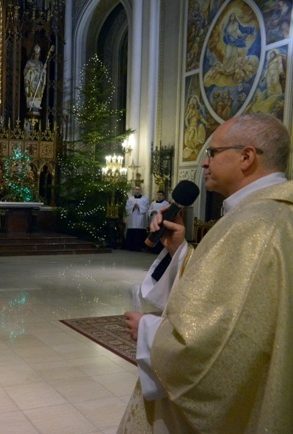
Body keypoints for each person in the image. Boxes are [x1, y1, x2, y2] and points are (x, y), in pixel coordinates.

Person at [119, 114, 293, 432]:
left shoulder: (251, 226)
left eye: (212, 153)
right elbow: (232, 294)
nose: (204, 163)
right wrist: (180, 250)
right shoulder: (277, 215)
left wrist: (149, 330)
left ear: (246, 157)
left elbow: (217, 347)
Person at [124, 186, 150, 251]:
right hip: (132, 218)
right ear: (134, 190)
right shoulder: (130, 199)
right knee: (132, 230)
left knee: (140, 232)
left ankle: (140, 247)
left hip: (140, 218)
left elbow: (147, 207)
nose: (137, 191)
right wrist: (133, 207)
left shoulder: (145, 199)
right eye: (136, 189)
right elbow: (127, 207)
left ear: (141, 190)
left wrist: (139, 207)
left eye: (138, 189)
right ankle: (130, 246)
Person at [23, 44, 47, 112]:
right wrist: (30, 70)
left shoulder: (40, 63)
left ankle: (37, 105)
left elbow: (43, 74)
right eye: (36, 54)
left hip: (38, 82)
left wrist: (44, 70)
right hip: (31, 82)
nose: (37, 56)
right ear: (33, 54)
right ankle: (31, 105)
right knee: (30, 94)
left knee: (38, 94)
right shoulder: (29, 62)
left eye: (38, 54)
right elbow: (25, 73)